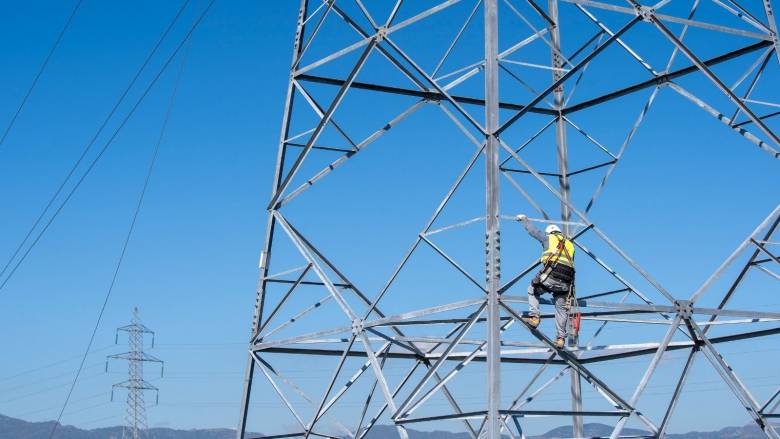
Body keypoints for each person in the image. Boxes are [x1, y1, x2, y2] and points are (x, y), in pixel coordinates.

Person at [516, 214, 575, 348]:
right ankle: (560, 338)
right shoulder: (570, 245)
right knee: (561, 308)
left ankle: (534, 317)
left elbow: (533, 231)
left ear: (549, 232)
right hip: (566, 282)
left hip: (551, 275)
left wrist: (525, 220)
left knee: (532, 289)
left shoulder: (548, 239)